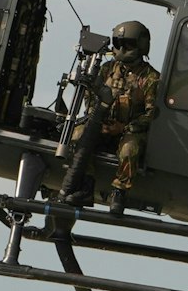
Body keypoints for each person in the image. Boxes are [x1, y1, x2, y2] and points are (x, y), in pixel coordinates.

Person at [66, 20, 160, 213]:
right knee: (77, 135)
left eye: (128, 44)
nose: (122, 49)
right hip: (102, 124)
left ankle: (119, 192)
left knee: (129, 149)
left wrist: (124, 128)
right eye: (118, 44)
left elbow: (153, 114)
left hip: (130, 130)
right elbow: (90, 97)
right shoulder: (106, 69)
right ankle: (86, 186)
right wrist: (97, 121)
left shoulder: (151, 78)